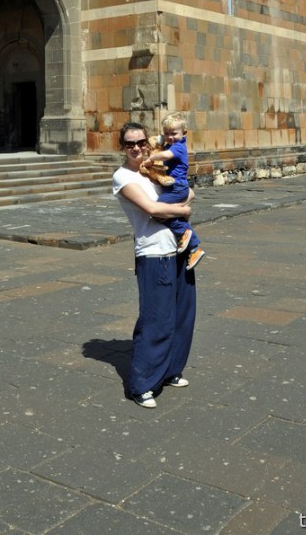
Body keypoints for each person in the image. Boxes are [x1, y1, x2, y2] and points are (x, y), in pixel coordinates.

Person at [113, 121, 197, 409]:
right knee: (155, 319)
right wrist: (183, 210)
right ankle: (143, 383)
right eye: (129, 143)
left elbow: (189, 190)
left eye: (140, 142)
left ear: (148, 143)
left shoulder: (154, 172)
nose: (136, 148)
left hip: (179, 250)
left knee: (182, 316)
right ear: (122, 147)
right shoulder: (123, 178)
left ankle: (171, 370)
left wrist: (182, 203)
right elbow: (152, 210)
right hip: (153, 254)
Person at [141, 112, 204, 270]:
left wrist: (150, 159)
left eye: (174, 133)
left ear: (184, 133)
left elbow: (165, 154)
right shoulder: (171, 142)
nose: (170, 137)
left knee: (158, 211)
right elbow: (159, 141)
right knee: (168, 213)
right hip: (173, 188)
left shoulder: (178, 147)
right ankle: (195, 248)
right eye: (167, 133)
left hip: (177, 187)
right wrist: (159, 138)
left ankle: (183, 230)